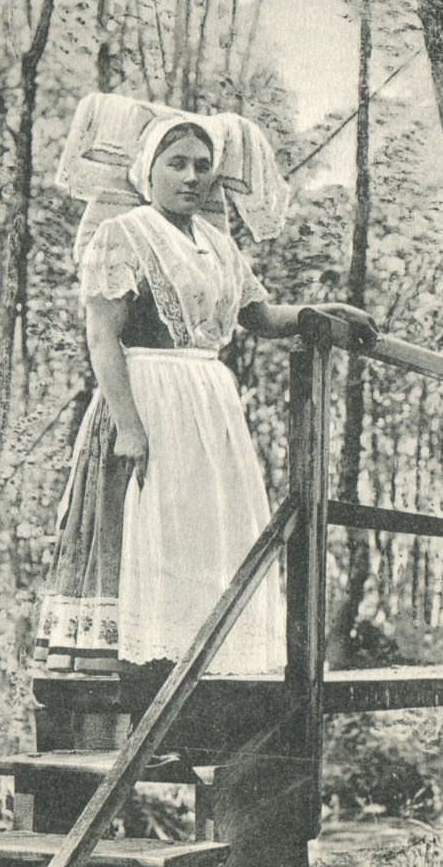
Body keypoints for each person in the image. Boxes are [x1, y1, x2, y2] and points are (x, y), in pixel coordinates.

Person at [34, 108, 376, 681]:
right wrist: (129, 426)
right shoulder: (122, 235)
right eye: (177, 164)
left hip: (209, 407)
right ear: (148, 170)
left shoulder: (217, 244)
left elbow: (260, 316)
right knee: (150, 533)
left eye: (201, 166)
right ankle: (138, 676)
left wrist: (323, 311)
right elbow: (102, 337)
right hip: (146, 396)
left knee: (202, 536)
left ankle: (195, 672)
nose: (191, 177)